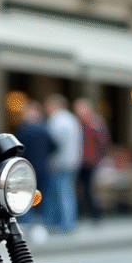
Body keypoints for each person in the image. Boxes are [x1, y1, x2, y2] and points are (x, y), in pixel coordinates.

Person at [12, 99, 56, 241]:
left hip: (25, 169)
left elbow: (16, 150)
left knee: (24, 198)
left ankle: (24, 226)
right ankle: (42, 226)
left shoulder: (22, 129)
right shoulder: (44, 129)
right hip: (43, 168)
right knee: (42, 198)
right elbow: (55, 146)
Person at [43, 93, 81, 233]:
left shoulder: (58, 120)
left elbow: (54, 143)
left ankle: (66, 224)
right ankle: (64, 223)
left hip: (60, 163)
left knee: (62, 193)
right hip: (71, 162)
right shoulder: (71, 119)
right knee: (66, 192)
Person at [74, 97, 110, 223]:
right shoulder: (78, 123)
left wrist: (99, 158)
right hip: (79, 161)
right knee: (79, 188)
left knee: (87, 189)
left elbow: (103, 143)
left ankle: (94, 213)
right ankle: (84, 213)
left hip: (89, 161)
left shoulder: (94, 123)